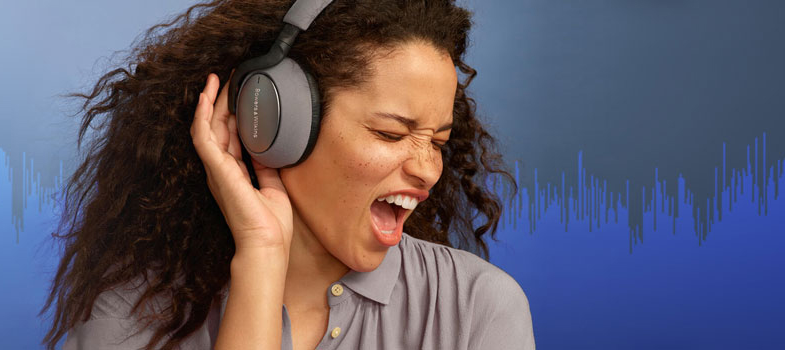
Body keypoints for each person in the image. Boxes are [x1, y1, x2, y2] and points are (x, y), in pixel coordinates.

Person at [44, 0, 533, 349]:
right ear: (274, 121)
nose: (428, 170)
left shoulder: (476, 309)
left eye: (438, 143)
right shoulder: (136, 317)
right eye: (390, 134)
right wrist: (260, 254)